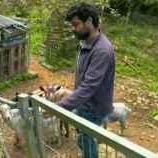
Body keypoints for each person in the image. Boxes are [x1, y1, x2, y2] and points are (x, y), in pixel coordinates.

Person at [58, 2, 115, 158]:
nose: (73, 28)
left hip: (95, 108)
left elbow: (89, 87)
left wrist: (59, 107)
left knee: (86, 142)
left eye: (76, 24)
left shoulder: (102, 50)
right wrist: (71, 93)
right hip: (86, 102)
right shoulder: (86, 42)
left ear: (89, 21)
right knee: (82, 139)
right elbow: (86, 80)